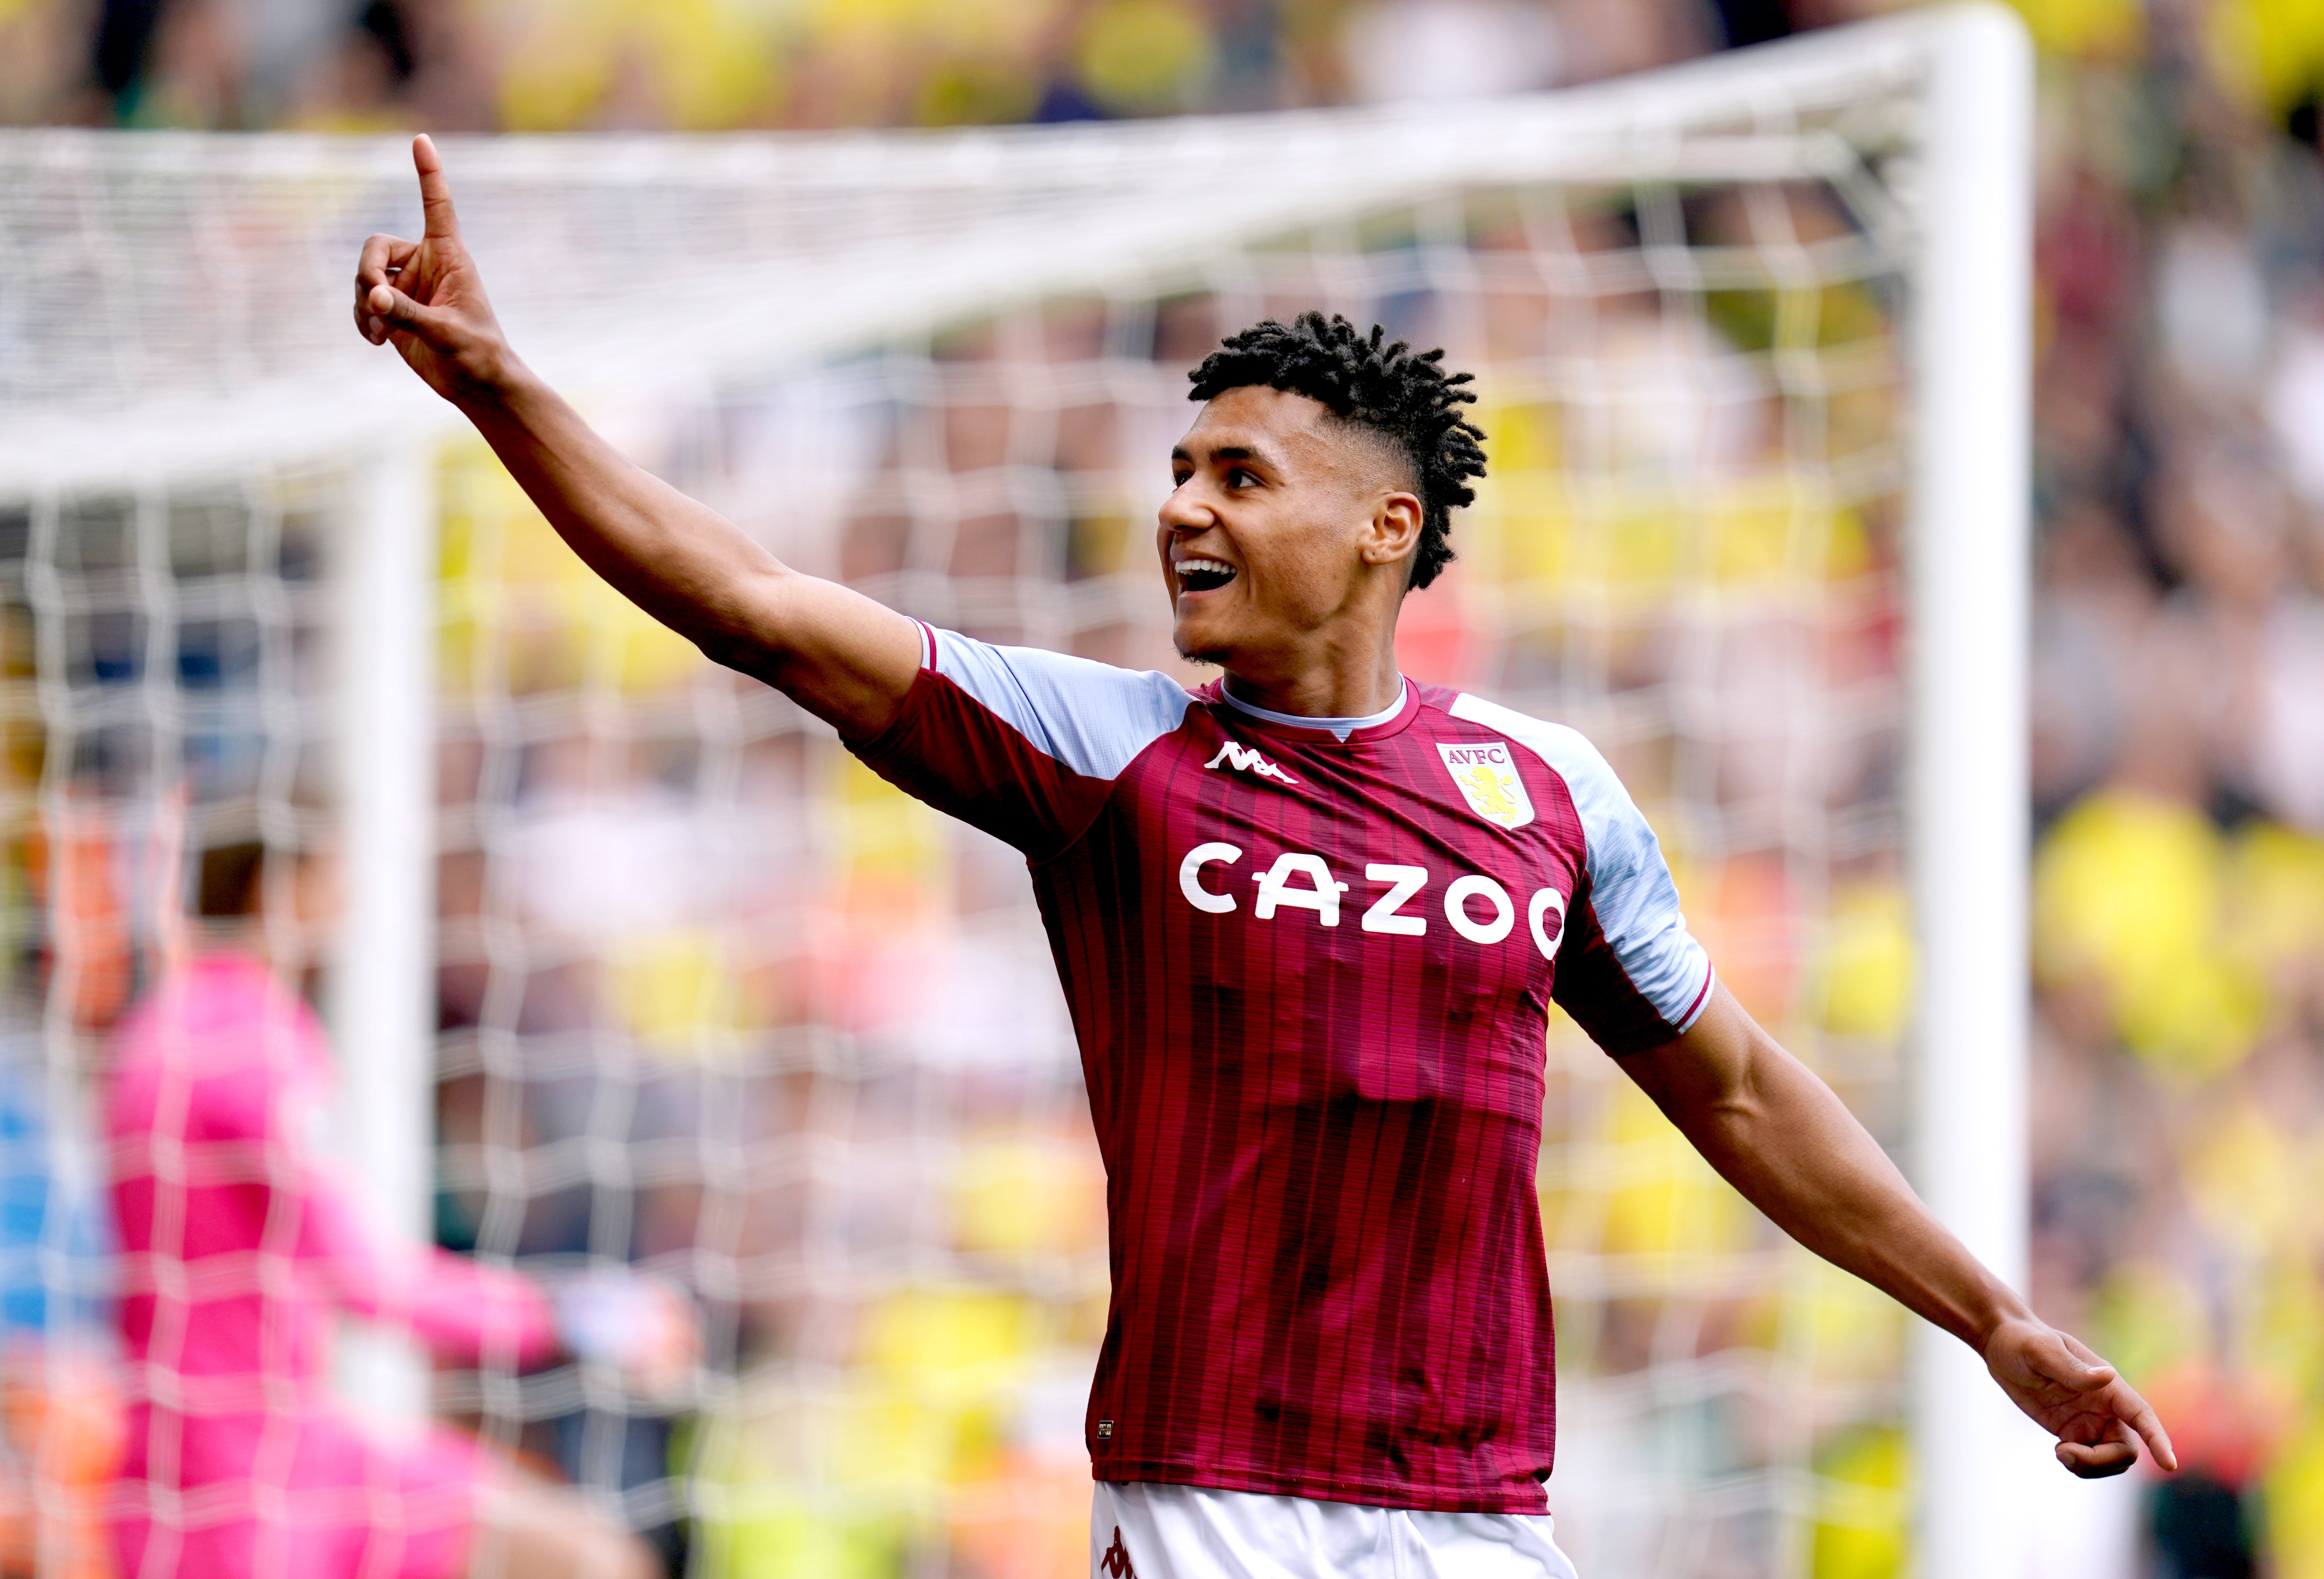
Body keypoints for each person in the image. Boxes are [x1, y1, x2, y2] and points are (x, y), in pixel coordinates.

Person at [353, 134, 2176, 1578]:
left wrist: (1991, 1318)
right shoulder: (1104, 751)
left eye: (1236, 475)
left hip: (1476, 1510)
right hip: (1210, 1497)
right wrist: (504, 390)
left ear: (1384, 527)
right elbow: (750, 603)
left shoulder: (1543, 789)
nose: (1177, 506)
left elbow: (1744, 1095)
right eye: (1177, 467)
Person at [105, 826, 691, 1579]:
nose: (346, 908)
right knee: (587, 1561)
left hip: (256, 1455)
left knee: (584, 1557)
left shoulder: (158, 1031)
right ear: (279, 887)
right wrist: (569, 1314)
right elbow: (366, 1277)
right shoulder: (250, 1045)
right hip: (242, 1488)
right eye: (334, 880)